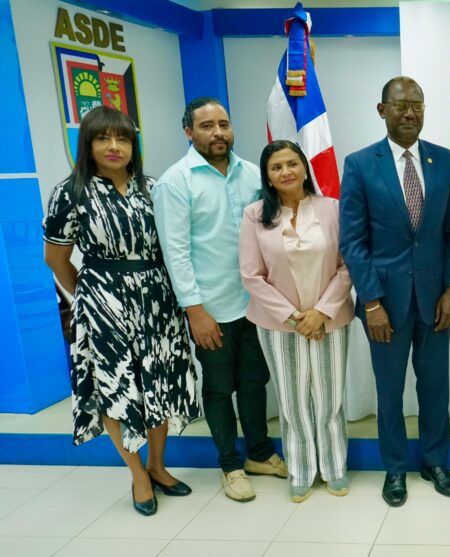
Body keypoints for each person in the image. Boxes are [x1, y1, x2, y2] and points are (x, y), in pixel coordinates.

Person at [42, 106, 201, 516]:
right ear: (88, 145)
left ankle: (159, 466)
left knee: (159, 385)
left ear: (134, 145)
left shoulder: (152, 187)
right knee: (117, 388)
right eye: (103, 138)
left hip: (158, 300)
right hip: (103, 305)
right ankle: (137, 474)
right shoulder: (71, 191)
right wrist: (90, 299)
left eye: (123, 138)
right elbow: (56, 260)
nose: (114, 147)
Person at [340, 76, 450, 507]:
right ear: (382, 111)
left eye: (417, 104)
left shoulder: (445, 162)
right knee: (389, 390)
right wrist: (371, 301)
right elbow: (353, 242)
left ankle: (435, 461)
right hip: (385, 305)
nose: (410, 112)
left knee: (435, 387)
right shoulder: (360, 164)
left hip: (435, 301)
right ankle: (394, 468)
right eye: (400, 105)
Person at [153, 97, 287, 503]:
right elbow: (174, 251)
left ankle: (260, 455)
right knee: (218, 389)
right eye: (207, 126)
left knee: (254, 382)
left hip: (256, 303)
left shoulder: (252, 174)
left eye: (224, 124)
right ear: (188, 132)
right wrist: (195, 311)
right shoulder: (175, 182)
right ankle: (230, 465)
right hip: (210, 308)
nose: (218, 133)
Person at [240, 140, 355, 503]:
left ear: (305, 167)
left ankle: (335, 467)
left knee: (329, 397)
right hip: (279, 325)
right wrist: (293, 317)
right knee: (292, 401)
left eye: (292, 163)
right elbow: (251, 275)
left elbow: (348, 264)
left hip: (330, 319)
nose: (286, 171)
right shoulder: (254, 215)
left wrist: (321, 311)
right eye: (277, 167)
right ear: (268, 176)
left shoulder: (333, 209)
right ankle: (302, 470)